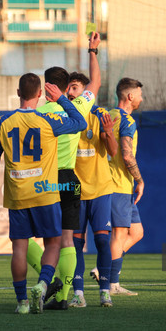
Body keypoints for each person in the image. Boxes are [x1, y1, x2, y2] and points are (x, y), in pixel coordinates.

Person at [0, 73, 87, 314]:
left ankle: (22, 303)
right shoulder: (48, 121)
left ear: (18, 93)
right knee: (54, 243)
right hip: (44, 193)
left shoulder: (3, 122)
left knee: (19, 249)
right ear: (40, 94)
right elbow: (80, 123)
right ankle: (44, 283)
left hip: (17, 194)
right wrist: (62, 100)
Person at [26, 32, 102, 311]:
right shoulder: (77, 106)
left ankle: (49, 281)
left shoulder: (38, 111)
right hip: (69, 179)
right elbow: (96, 82)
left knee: (31, 239)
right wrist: (93, 50)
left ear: (46, 86)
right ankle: (62, 297)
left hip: (44, 180)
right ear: (64, 86)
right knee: (69, 239)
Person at [68, 71, 120, 308]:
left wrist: (109, 132)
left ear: (85, 92)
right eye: (68, 88)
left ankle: (105, 291)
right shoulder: (63, 118)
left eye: (76, 88)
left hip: (100, 189)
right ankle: (78, 293)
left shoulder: (98, 114)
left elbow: (113, 152)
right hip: (74, 191)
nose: (71, 92)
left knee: (101, 241)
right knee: (76, 243)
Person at [105, 78, 145, 296]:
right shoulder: (127, 120)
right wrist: (140, 180)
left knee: (137, 232)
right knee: (118, 235)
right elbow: (127, 155)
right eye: (139, 94)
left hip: (120, 186)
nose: (141, 98)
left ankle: (106, 268)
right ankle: (112, 285)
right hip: (118, 184)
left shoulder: (107, 116)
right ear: (130, 96)